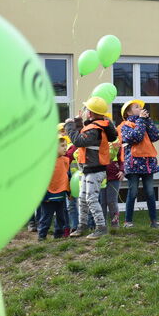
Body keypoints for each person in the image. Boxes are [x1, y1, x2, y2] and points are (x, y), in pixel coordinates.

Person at [65, 97, 118, 239]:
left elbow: (78, 140)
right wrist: (77, 122)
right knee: (82, 199)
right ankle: (82, 227)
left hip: (94, 171)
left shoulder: (95, 129)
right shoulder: (98, 126)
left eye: (87, 109)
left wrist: (69, 125)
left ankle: (101, 227)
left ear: (90, 113)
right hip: (89, 169)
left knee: (90, 199)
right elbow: (84, 131)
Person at [118, 100, 159, 229]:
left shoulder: (143, 122)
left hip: (148, 163)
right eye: (137, 107)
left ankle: (154, 221)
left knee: (150, 192)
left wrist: (147, 121)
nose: (141, 108)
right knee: (133, 192)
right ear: (128, 112)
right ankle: (128, 221)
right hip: (133, 164)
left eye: (141, 107)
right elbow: (136, 137)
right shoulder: (125, 125)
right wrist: (141, 121)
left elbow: (156, 135)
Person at [38, 137, 75, 240]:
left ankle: (58, 235)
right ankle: (42, 236)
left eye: (66, 146)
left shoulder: (65, 161)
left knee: (61, 217)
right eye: (62, 146)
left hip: (61, 195)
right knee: (46, 217)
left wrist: (69, 193)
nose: (65, 148)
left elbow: (68, 177)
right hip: (48, 195)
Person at [100, 137, 122, 228]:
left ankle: (115, 225)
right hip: (101, 177)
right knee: (102, 202)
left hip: (114, 176)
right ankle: (102, 225)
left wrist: (122, 170)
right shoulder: (98, 140)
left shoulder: (116, 142)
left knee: (112, 202)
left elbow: (122, 157)